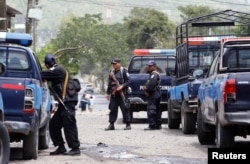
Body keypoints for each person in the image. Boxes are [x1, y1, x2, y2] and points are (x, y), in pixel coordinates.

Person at [40, 54, 81, 156]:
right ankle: (61, 147)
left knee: (69, 124)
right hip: (64, 103)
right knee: (54, 124)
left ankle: (75, 148)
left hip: (68, 102)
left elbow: (42, 74)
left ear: (46, 64)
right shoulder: (56, 70)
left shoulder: (58, 70)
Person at [105, 58, 131, 130]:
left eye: (115, 63)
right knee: (112, 109)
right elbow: (110, 84)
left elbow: (129, 81)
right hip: (114, 94)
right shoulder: (111, 72)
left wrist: (122, 86)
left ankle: (128, 124)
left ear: (119, 63)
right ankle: (111, 124)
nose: (114, 65)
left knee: (125, 109)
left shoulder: (124, 71)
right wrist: (107, 93)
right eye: (113, 64)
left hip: (122, 94)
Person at [142, 60, 162, 130]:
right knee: (157, 109)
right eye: (148, 66)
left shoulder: (154, 74)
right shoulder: (153, 74)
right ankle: (158, 124)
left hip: (154, 93)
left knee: (151, 109)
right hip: (156, 93)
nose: (149, 67)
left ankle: (152, 125)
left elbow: (152, 84)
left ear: (154, 66)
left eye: (150, 66)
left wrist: (147, 90)